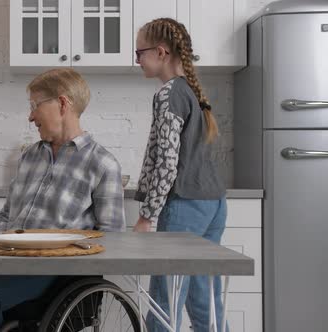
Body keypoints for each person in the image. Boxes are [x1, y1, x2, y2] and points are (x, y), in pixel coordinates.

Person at [0, 68, 125, 332]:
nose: (30, 116)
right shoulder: (30, 156)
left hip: (54, 270)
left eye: (35, 105)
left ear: (62, 103)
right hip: (7, 257)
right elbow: (7, 214)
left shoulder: (102, 163)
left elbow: (113, 238)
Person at [132, 18, 228, 332]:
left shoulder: (168, 94)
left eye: (139, 53)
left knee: (163, 304)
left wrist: (147, 215)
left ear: (160, 53)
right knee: (205, 302)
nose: (137, 61)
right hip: (213, 204)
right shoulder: (192, 91)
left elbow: (166, 163)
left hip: (184, 205)